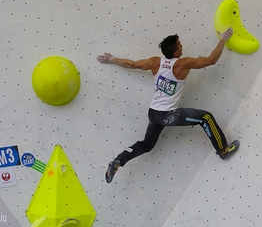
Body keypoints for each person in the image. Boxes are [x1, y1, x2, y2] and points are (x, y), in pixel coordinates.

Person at [97, 28, 239, 183]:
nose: (182, 46)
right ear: (176, 53)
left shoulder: (155, 62)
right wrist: (222, 39)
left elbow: (132, 64)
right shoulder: (183, 64)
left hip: (153, 113)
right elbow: (211, 60)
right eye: (180, 45)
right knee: (205, 118)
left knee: (146, 145)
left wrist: (112, 59)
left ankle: (119, 160)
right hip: (168, 115)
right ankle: (223, 150)